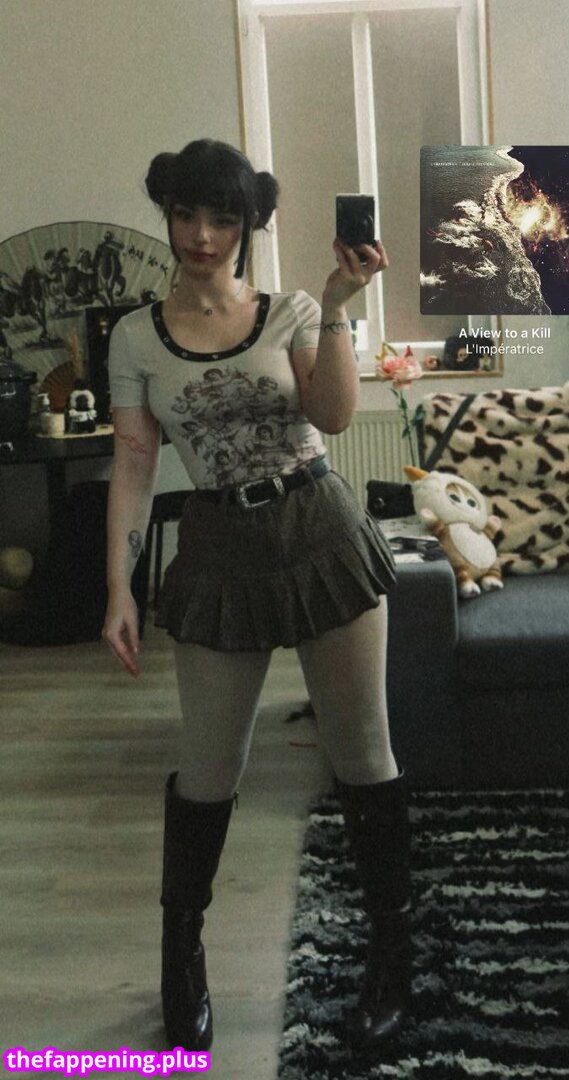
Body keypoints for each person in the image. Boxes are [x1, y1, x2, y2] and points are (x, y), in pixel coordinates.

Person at [102, 139, 411, 1055]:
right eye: (186, 215)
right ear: (167, 215)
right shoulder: (133, 336)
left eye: (223, 219)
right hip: (218, 552)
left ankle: (392, 955)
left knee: (363, 755)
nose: (201, 236)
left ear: (249, 227)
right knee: (208, 770)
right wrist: (117, 585)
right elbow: (134, 461)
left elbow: (333, 417)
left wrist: (342, 306)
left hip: (320, 534)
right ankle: (181, 958)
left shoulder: (296, 311)